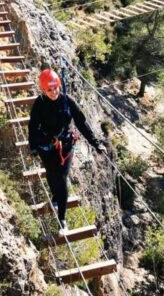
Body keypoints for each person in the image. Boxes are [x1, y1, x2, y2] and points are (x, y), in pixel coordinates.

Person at [28, 68, 106, 234]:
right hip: (46, 145)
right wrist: (33, 146)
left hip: (66, 145)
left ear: (59, 85)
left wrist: (96, 143)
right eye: (49, 89)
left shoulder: (67, 101)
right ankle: (55, 196)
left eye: (55, 87)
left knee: (62, 178)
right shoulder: (39, 104)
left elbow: (81, 123)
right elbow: (33, 126)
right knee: (51, 173)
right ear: (43, 90)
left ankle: (62, 220)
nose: (53, 92)